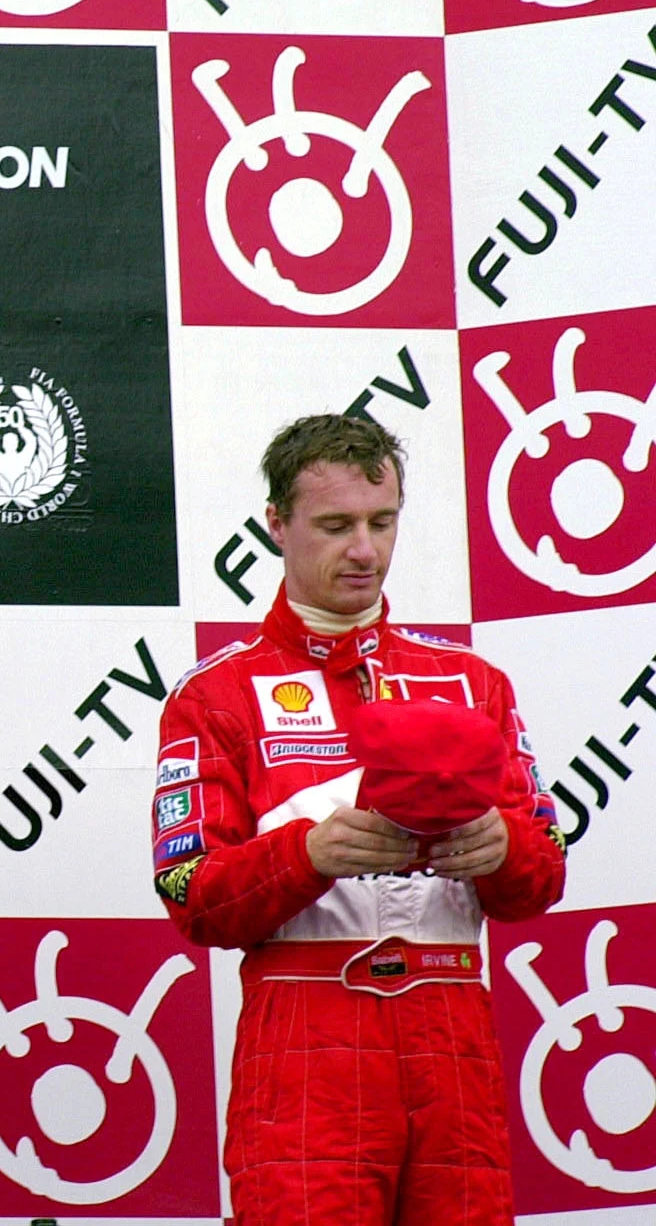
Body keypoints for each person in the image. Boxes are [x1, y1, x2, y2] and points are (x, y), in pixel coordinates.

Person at [152, 414, 567, 1225]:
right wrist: (308, 854)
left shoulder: (472, 680)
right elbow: (191, 895)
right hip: (306, 1032)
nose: (365, 550)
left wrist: (503, 848)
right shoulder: (215, 695)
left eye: (383, 522)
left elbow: (542, 877)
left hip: (453, 1035)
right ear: (277, 525)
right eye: (336, 526)